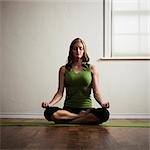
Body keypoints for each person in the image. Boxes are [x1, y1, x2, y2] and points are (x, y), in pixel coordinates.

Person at [41, 38, 110, 124]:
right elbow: (60, 92)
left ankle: (67, 120)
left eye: (81, 48)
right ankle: (81, 118)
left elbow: (96, 92)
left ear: (84, 50)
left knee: (104, 114)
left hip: (86, 109)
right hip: (68, 109)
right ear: (71, 51)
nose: (78, 51)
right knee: (48, 112)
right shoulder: (63, 69)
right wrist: (50, 104)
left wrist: (102, 103)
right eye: (75, 48)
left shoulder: (91, 68)